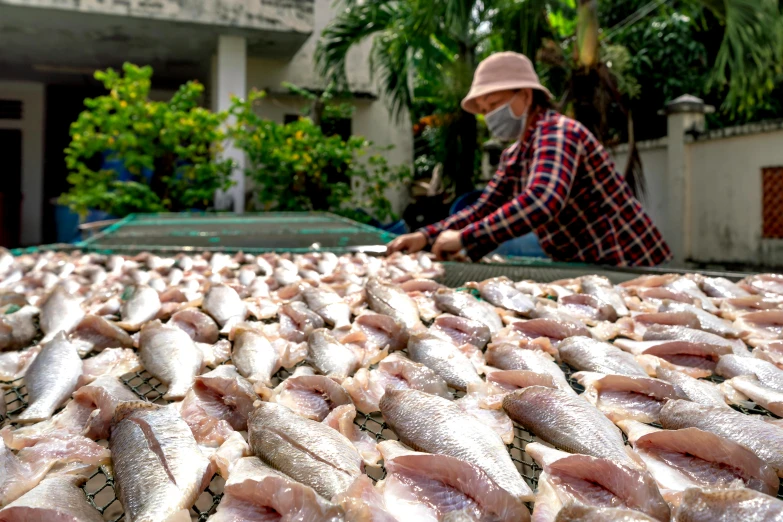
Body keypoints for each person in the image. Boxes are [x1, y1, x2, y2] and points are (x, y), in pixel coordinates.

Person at [388, 51, 671, 266]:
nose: (489, 116)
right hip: (584, 268)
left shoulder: (558, 132)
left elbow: (542, 200)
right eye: (485, 109)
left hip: (629, 265)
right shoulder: (516, 153)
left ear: (525, 95)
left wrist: (465, 238)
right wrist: (426, 236)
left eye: (495, 104)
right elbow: (483, 209)